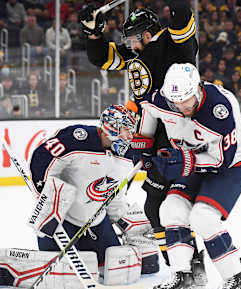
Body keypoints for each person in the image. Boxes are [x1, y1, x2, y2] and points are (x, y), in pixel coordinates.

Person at [79, 0, 199, 273]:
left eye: (133, 39)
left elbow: (181, 18)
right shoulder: (136, 53)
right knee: (155, 205)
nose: (130, 45)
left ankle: (188, 267)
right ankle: (184, 267)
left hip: (177, 136)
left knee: (169, 206)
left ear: (147, 33)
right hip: (147, 133)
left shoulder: (174, 44)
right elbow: (102, 58)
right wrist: (93, 33)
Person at [0, 105, 155, 289]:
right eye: (126, 130)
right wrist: (45, 195)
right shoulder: (78, 138)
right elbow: (42, 157)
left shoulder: (128, 154)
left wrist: (117, 215)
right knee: (63, 273)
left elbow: (116, 189)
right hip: (62, 219)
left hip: (95, 220)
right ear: (111, 126)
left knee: (114, 268)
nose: (130, 136)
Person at [137, 63, 241, 289]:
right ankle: (186, 278)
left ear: (198, 89)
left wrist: (185, 162)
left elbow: (222, 160)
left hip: (233, 164)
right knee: (170, 209)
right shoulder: (165, 100)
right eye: (176, 103)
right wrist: (144, 144)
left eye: (187, 101)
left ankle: (237, 280)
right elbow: (148, 108)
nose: (182, 108)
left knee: (202, 217)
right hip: (194, 160)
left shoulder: (220, 108)